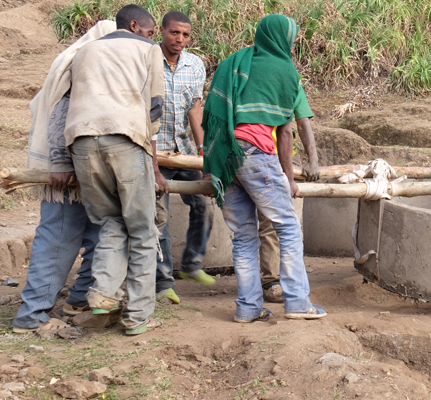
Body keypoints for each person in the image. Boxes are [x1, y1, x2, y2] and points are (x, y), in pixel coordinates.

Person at [202, 14, 326, 322]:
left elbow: (214, 116)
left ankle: (248, 308)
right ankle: (298, 302)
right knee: (288, 228)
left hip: (226, 158)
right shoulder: (282, 70)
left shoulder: (235, 63)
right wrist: (288, 177)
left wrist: (209, 166)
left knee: (244, 237)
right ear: (280, 39)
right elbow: (285, 131)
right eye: (292, 41)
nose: (293, 48)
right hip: (256, 155)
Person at [11, 20, 119, 334]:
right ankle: (32, 316)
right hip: (66, 174)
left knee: (101, 236)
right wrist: (60, 161)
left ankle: (79, 300)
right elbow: (63, 113)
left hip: (89, 172)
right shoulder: (83, 63)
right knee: (58, 239)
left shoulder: (97, 63)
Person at [65, 4, 164, 335]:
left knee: (108, 221)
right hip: (125, 139)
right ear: (135, 26)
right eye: (150, 31)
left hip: (81, 141)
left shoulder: (84, 51)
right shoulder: (148, 49)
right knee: (142, 229)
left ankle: (103, 295)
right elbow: (154, 105)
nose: (152, 36)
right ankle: (138, 316)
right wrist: (149, 147)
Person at [152, 10, 215, 305]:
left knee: (205, 205)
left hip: (184, 152)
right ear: (162, 31)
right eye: (174, 32)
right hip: (155, 153)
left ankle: (191, 264)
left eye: (185, 34)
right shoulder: (147, 60)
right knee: (159, 220)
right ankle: (163, 283)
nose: (180, 39)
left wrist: (203, 156)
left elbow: (195, 110)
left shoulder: (194, 64)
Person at [258, 82, 321, 303]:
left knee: (292, 221)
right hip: (260, 155)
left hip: (286, 157)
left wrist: (313, 159)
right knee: (269, 221)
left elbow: (303, 123)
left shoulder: (292, 82)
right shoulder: (254, 77)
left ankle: (289, 279)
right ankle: (271, 280)